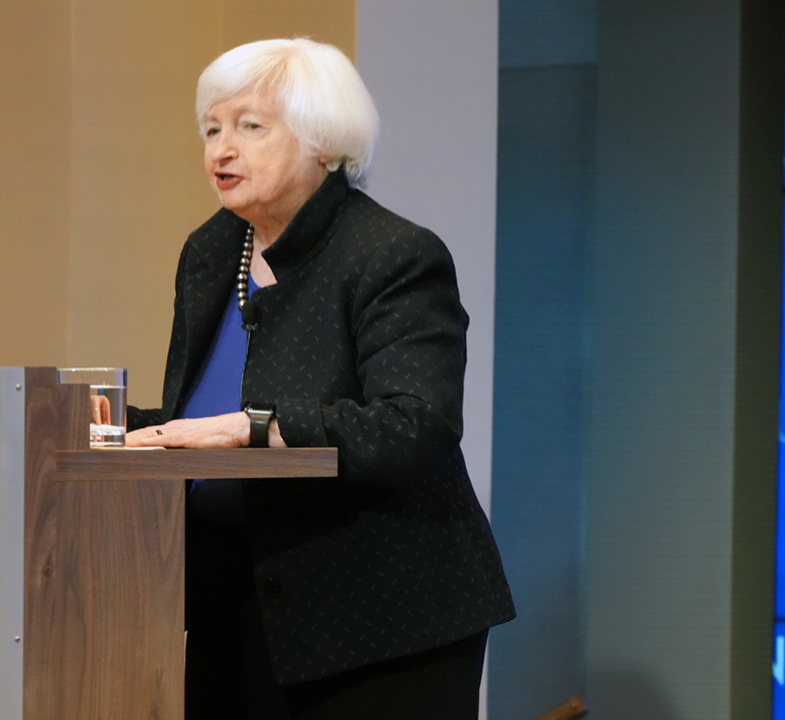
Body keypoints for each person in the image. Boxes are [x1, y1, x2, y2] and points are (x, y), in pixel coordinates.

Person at [125, 38, 515, 719]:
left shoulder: (392, 253)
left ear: (324, 143)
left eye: (250, 127)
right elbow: (206, 417)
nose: (221, 149)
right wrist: (95, 420)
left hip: (380, 612)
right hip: (229, 596)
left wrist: (251, 429)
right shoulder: (210, 250)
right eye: (211, 129)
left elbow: (414, 424)